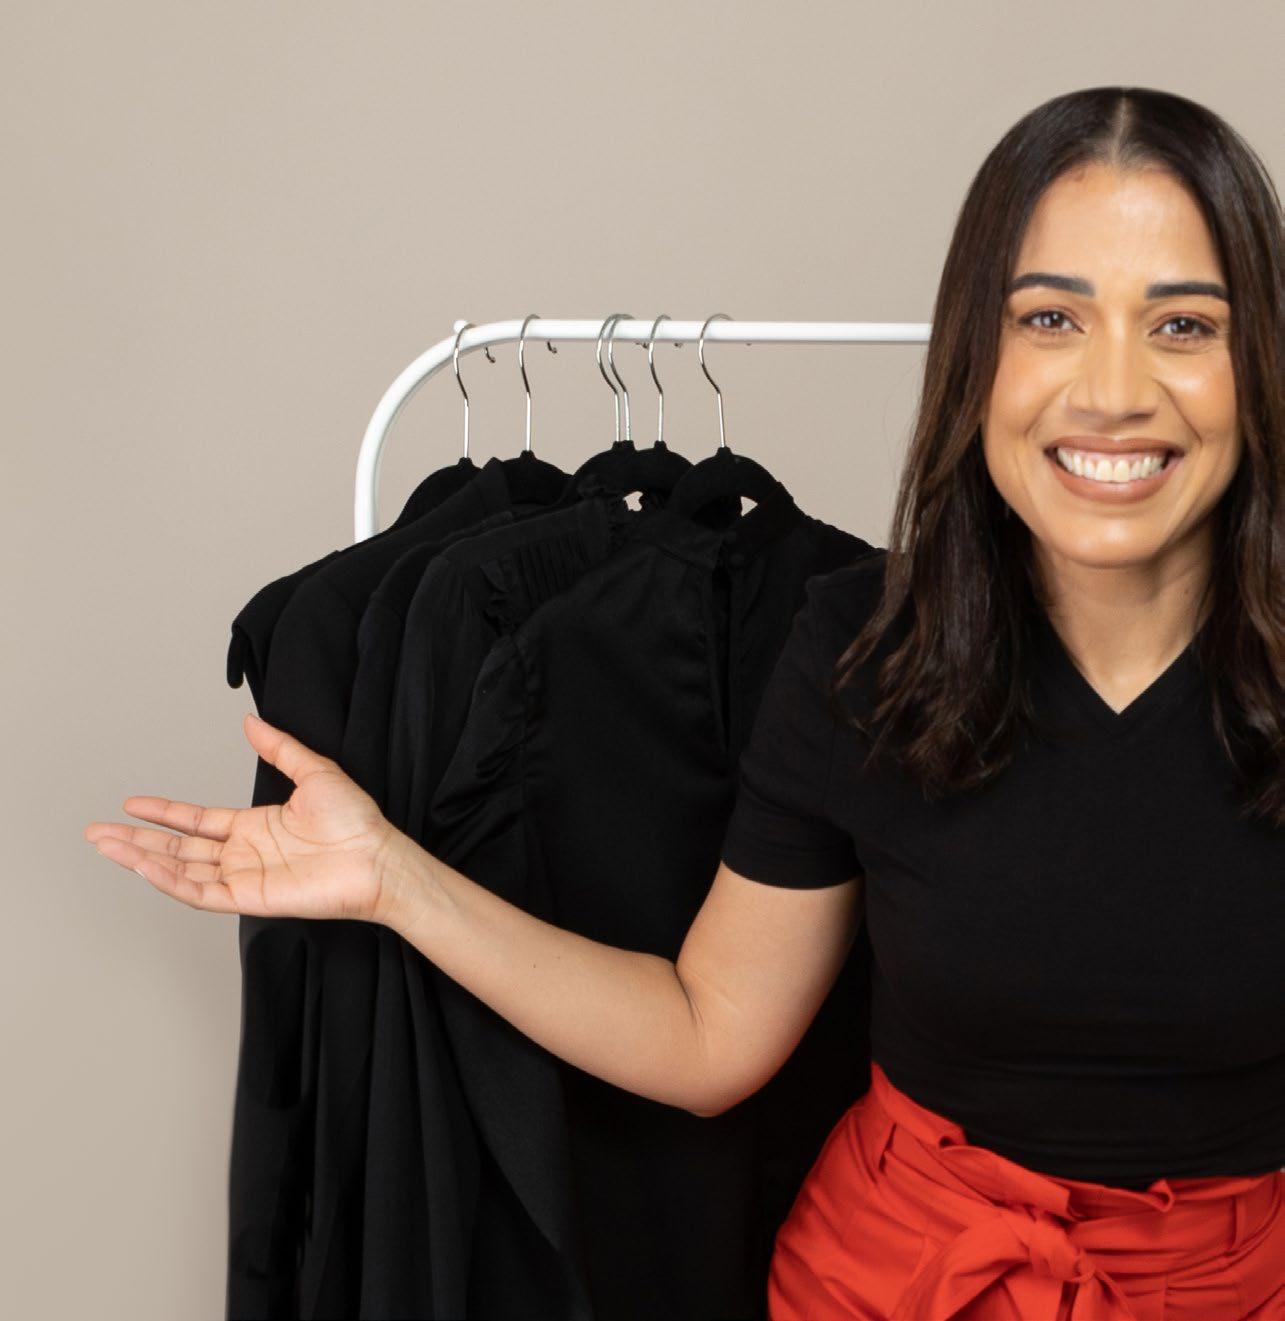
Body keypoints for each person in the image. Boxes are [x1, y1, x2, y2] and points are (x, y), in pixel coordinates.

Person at [85, 84, 1285, 1319]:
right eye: (1051, 318)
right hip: (894, 1288)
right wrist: (392, 878)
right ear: (980, 355)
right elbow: (710, 1035)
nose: (1111, 390)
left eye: (1182, 325)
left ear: (1257, 364)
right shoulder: (861, 649)